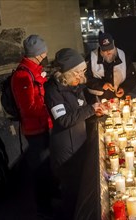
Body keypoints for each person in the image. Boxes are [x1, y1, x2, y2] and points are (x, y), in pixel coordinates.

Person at [44, 48, 106, 219]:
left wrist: (94, 112)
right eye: (77, 72)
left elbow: (80, 109)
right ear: (67, 72)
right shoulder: (53, 91)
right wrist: (90, 109)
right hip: (66, 150)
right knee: (71, 191)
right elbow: (63, 120)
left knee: (81, 187)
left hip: (80, 142)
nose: (81, 76)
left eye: (83, 71)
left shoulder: (74, 84)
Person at [11, 34, 55, 214]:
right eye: (43, 52)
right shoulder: (22, 75)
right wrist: (51, 107)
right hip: (35, 128)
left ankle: (51, 194)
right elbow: (28, 107)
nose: (45, 54)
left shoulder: (35, 69)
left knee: (48, 163)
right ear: (37, 53)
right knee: (40, 166)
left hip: (44, 124)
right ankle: (43, 206)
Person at [86, 32, 136, 103]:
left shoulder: (123, 56)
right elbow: (85, 78)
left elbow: (131, 77)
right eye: (105, 49)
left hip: (118, 100)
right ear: (100, 47)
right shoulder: (91, 58)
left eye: (110, 48)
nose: (108, 51)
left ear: (113, 43)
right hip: (97, 100)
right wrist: (102, 85)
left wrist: (124, 89)